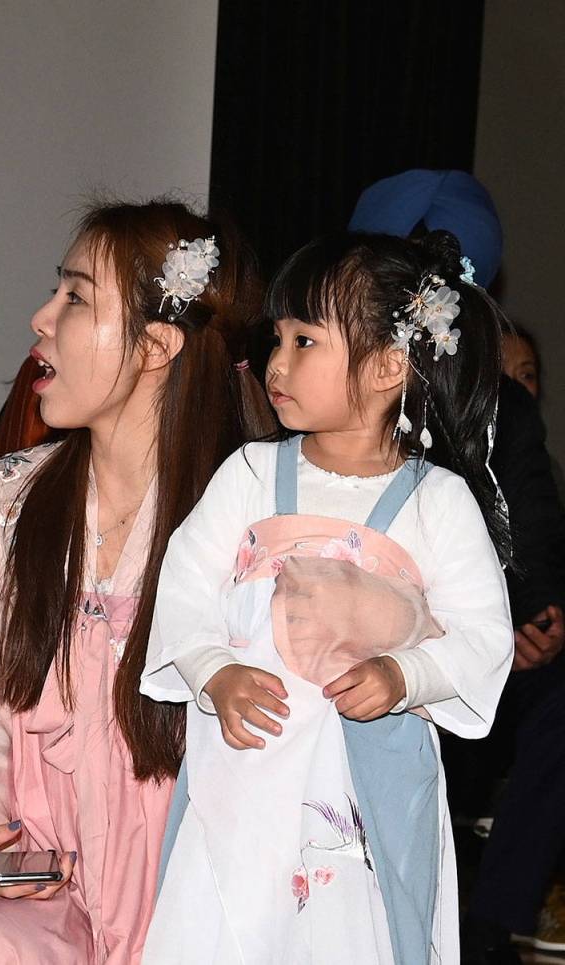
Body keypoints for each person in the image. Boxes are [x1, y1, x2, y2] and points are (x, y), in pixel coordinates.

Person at [0, 200, 267, 963]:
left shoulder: (243, 524)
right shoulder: (10, 499)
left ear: (156, 344)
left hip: (188, 889)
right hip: (40, 888)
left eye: (74, 297)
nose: (40, 318)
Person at [142, 230, 514, 963]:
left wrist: (402, 674)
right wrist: (214, 669)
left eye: (306, 341)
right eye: (277, 337)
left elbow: (481, 636)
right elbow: (183, 585)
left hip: (354, 794)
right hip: (245, 778)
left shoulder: (434, 501)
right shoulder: (250, 473)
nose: (277, 361)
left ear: (387, 366)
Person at [351, 167, 565, 962]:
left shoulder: (505, 406)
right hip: (346, 646)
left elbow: (534, 523)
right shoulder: (312, 384)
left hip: (483, 646)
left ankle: (486, 923)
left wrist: (534, 613)